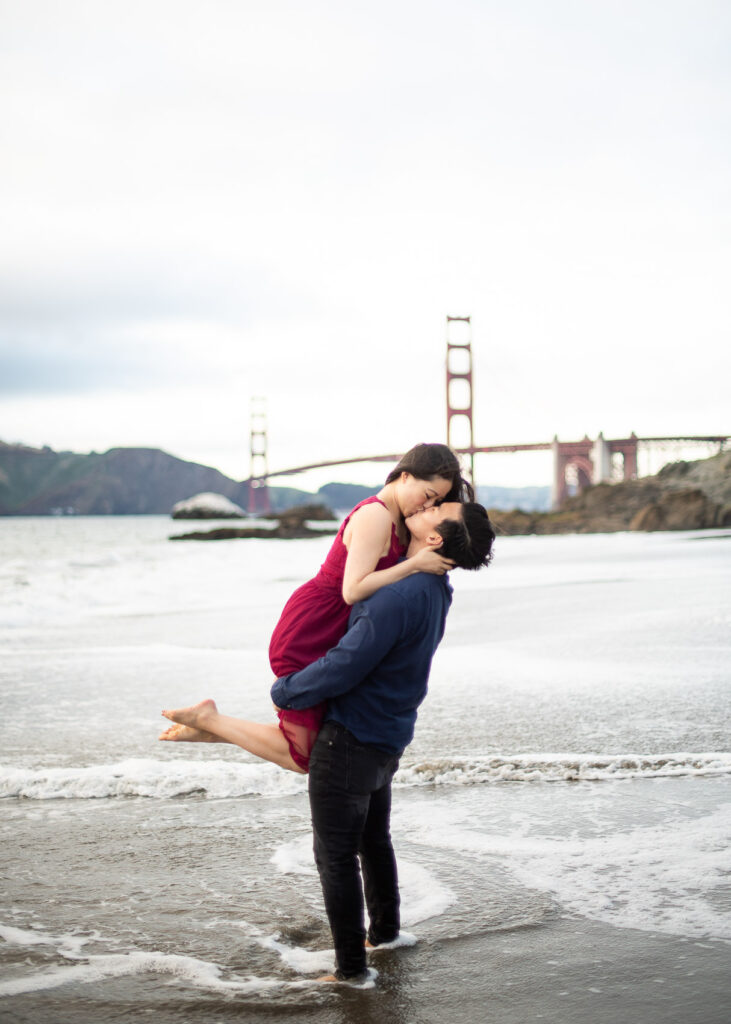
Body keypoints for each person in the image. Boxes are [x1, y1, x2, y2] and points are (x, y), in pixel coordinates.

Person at [270, 499, 495, 983]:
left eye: (442, 506)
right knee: (373, 840)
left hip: (351, 737)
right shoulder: (436, 587)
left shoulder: (396, 596)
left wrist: (286, 689)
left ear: (435, 539)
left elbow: (346, 664)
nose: (431, 503)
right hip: (390, 732)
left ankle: (351, 971)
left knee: (334, 856)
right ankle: (386, 932)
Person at [159, 443, 473, 773]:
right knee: (306, 756)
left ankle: (212, 729)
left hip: (334, 627)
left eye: (437, 502)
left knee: (313, 741)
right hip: (314, 625)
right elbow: (352, 591)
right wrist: (413, 566)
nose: (429, 504)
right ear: (405, 476)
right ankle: (210, 719)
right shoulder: (376, 515)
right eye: (428, 494)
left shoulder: (397, 517)